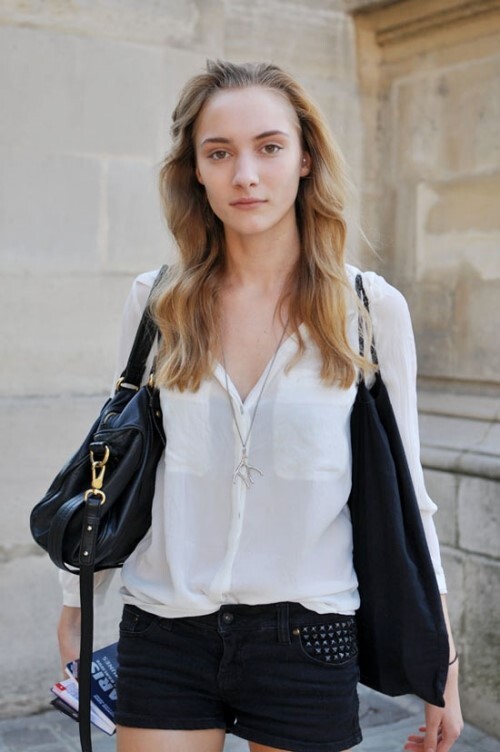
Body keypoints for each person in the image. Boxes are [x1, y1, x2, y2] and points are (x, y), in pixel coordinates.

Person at [57, 60, 463, 752]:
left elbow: (410, 497)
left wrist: (441, 662)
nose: (245, 175)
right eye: (219, 153)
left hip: (308, 635)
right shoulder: (156, 302)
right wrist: (76, 607)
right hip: (165, 626)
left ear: (305, 158)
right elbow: (113, 464)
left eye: (269, 147)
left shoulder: (369, 310)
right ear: (195, 171)